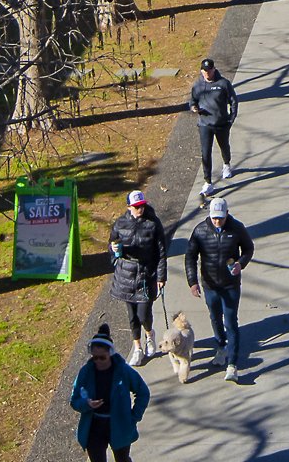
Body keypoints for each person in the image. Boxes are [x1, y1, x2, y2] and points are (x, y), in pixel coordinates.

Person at [185, 196, 254, 382]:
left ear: (227, 214)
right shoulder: (200, 231)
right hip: (210, 285)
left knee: (231, 321)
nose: (217, 221)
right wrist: (192, 281)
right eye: (214, 218)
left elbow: (248, 249)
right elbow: (190, 256)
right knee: (215, 318)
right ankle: (221, 346)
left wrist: (241, 263)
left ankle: (232, 364)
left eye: (221, 218)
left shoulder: (237, 228)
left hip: (230, 285)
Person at [70, 323, 150, 462]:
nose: (98, 361)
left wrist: (133, 417)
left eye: (102, 358)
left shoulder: (123, 371)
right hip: (94, 426)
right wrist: (86, 404)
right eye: (95, 357)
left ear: (110, 354)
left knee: (122, 459)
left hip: (119, 424)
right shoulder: (86, 372)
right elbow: (74, 399)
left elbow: (143, 392)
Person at [108, 191, 167, 367]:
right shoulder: (120, 223)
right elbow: (111, 246)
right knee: (132, 316)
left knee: (143, 314)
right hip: (125, 275)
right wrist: (114, 252)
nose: (140, 209)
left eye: (141, 205)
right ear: (129, 207)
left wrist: (161, 275)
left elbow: (161, 252)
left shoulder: (153, 223)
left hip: (145, 274)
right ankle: (137, 348)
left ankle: (149, 335)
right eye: (136, 207)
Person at [189, 59, 240, 198]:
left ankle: (226, 164)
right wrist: (194, 108)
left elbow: (233, 101)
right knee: (205, 153)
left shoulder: (223, 84)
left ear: (214, 69)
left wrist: (231, 119)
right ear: (201, 71)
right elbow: (192, 101)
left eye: (209, 70)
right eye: (205, 70)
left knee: (224, 146)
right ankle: (208, 182)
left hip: (221, 123)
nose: (207, 73)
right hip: (205, 124)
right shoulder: (198, 85)